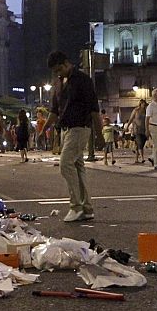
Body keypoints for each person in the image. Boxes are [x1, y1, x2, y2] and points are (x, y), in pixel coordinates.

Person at [49, 51, 101, 223]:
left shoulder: (82, 80)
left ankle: (76, 206)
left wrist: (100, 133)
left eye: (59, 70)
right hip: (66, 129)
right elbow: (55, 110)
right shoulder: (59, 83)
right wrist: (45, 130)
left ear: (66, 63)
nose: (58, 74)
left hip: (80, 127)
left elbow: (94, 108)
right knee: (78, 167)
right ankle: (87, 208)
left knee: (65, 164)